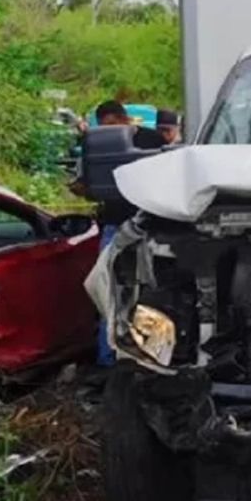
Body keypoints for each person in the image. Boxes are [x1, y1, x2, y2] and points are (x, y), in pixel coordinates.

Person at [81, 100, 166, 366]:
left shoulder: (152, 140)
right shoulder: (97, 145)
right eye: (103, 127)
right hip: (115, 225)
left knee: (150, 290)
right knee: (107, 290)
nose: (108, 132)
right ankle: (108, 360)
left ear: (124, 119)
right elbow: (86, 183)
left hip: (149, 225)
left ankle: (152, 356)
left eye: (111, 125)